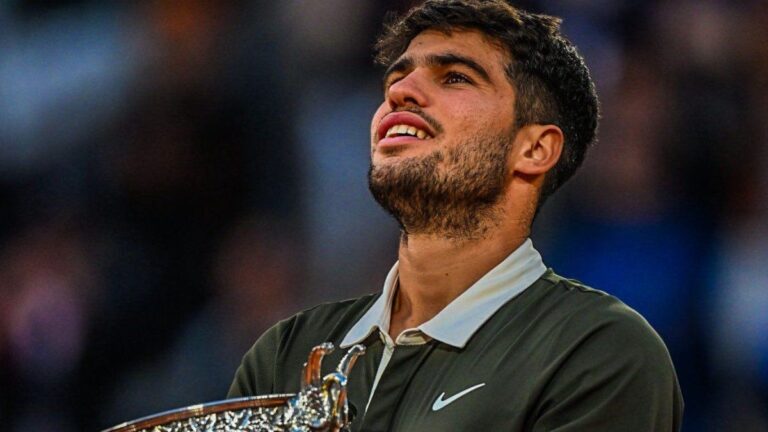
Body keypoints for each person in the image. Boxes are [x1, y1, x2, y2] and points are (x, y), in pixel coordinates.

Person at [229, 1, 684, 431]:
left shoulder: (596, 351)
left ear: (534, 149)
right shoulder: (284, 354)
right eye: (397, 77)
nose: (400, 91)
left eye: (455, 78)